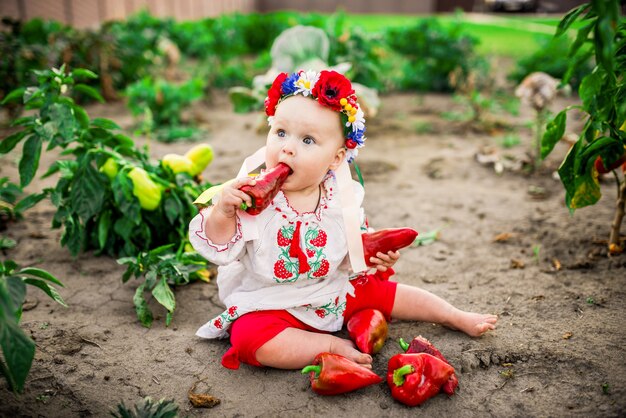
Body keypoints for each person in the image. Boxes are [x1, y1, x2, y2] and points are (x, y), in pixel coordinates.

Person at [189, 69, 497, 370]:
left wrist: (372, 257)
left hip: (330, 290)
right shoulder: (250, 195)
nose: (287, 147)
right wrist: (222, 212)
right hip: (272, 302)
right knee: (248, 337)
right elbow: (220, 245)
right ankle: (329, 346)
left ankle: (452, 315)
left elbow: (348, 252)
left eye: (307, 140)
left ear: (336, 159)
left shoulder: (340, 198)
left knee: (381, 290)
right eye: (280, 132)